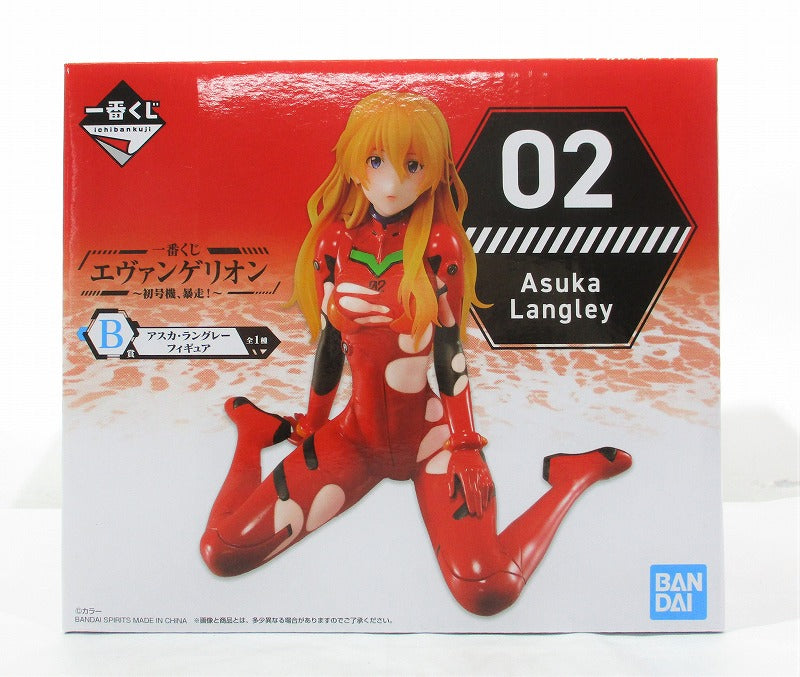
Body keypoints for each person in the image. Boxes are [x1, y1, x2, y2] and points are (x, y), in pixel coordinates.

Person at [200, 91, 631, 616]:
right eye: (375, 161)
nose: (391, 182)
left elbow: (451, 351)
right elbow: (329, 346)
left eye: (412, 165)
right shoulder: (332, 243)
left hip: (432, 440)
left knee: (488, 587)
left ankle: (572, 476)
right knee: (222, 550)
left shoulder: (440, 245)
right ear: (353, 163)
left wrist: (465, 444)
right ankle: (253, 434)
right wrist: (312, 423)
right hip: (353, 439)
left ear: (434, 173)